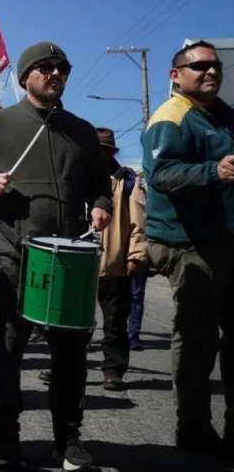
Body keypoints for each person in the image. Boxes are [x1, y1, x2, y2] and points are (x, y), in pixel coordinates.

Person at [0, 42, 111, 472]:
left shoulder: (81, 130)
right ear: (25, 77)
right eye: (44, 67)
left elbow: (99, 182)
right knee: (7, 348)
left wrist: (101, 205)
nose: (55, 73)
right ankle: (5, 436)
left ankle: (68, 438)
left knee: (72, 351)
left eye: (62, 67)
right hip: (10, 255)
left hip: (68, 260)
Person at [142, 40, 234, 457]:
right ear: (175, 74)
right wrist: (212, 170)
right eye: (199, 66)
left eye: (216, 65)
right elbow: (161, 174)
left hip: (224, 240)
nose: (211, 71)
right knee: (198, 338)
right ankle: (193, 428)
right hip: (188, 245)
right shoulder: (171, 116)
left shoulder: (222, 116)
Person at [92, 127, 147, 391]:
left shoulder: (126, 181)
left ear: (111, 152)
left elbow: (139, 222)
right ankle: (64, 368)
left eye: (104, 151)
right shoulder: (77, 178)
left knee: (115, 324)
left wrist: (135, 255)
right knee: (70, 325)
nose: (100, 155)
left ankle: (113, 371)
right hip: (78, 264)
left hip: (113, 265)